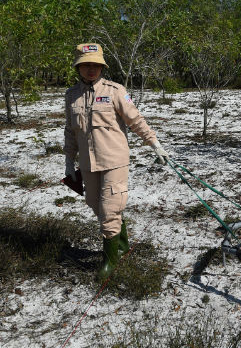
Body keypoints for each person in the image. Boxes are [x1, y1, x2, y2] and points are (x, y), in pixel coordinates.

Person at [63, 42, 170, 280]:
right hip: (88, 163)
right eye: (86, 65)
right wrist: (69, 162)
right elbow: (70, 132)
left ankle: (110, 263)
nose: (91, 69)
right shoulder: (71, 95)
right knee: (95, 204)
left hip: (114, 160)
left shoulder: (115, 90)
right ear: (78, 67)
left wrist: (155, 144)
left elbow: (136, 120)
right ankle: (121, 244)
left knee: (109, 211)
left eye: (96, 65)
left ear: (102, 67)